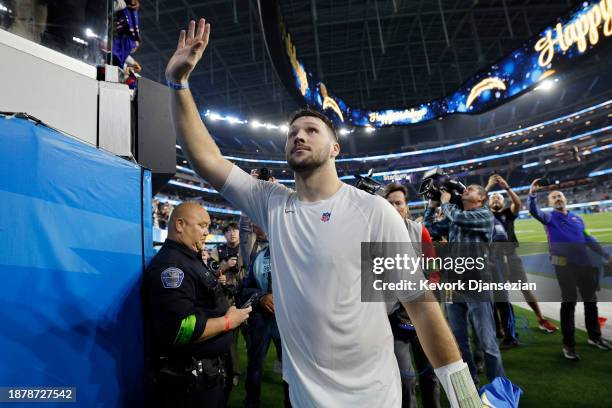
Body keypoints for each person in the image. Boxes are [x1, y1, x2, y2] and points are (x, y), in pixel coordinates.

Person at [164, 18, 480, 407]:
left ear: (335, 149)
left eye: (312, 130)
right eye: (293, 131)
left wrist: (464, 395)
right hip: (304, 399)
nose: (299, 134)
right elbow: (206, 158)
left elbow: (422, 307)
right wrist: (178, 84)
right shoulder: (273, 203)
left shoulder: (374, 212)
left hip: (373, 398)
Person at [142, 202, 251, 407]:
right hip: (188, 383)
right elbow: (179, 328)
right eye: (201, 225)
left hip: (204, 375)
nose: (206, 232)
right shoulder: (172, 266)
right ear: (180, 225)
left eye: (208, 226)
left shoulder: (189, 258)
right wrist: (228, 321)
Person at [423, 185, 506, 385]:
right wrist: (433, 205)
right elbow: (430, 228)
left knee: (486, 341)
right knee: (459, 341)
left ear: (481, 198)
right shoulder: (456, 215)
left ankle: (498, 388)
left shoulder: (484, 215)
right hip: (451, 284)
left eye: (471, 189)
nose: (465, 190)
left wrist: (445, 202)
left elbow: (459, 219)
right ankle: (472, 385)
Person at [528, 179, 612, 360]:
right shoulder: (549, 218)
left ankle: (594, 337)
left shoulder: (577, 218)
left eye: (560, 196)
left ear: (565, 199)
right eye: (554, 197)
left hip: (585, 265)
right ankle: (569, 345)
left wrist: (606, 255)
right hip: (564, 266)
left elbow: (589, 239)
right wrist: (533, 194)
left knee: (591, 301)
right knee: (569, 303)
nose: (558, 199)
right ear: (549, 203)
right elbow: (533, 211)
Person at [384, 183, 440, 408]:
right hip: (391, 318)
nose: (394, 207)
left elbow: (435, 271)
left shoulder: (420, 231)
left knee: (430, 373)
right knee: (405, 379)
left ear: (406, 207)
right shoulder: (373, 234)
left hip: (423, 314)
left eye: (398, 203)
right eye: (389, 203)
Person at [239, 210, 291, 408]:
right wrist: (261, 297)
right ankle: (251, 403)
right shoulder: (259, 256)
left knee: (290, 370)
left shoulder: (295, 254)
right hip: (261, 320)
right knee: (255, 365)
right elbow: (245, 289)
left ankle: (291, 403)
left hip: (289, 321)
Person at [212, 221, 245, 386]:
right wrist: (224, 267)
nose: (232, 233)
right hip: (227, 298)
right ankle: (233, 372)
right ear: (224, 234)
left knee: (254, 338)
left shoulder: (247, 248)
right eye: (228, 231)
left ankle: (255, 368)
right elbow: (210, 271)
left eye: (235, 230)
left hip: (246, 296)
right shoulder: (218, 250)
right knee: (231, 338)